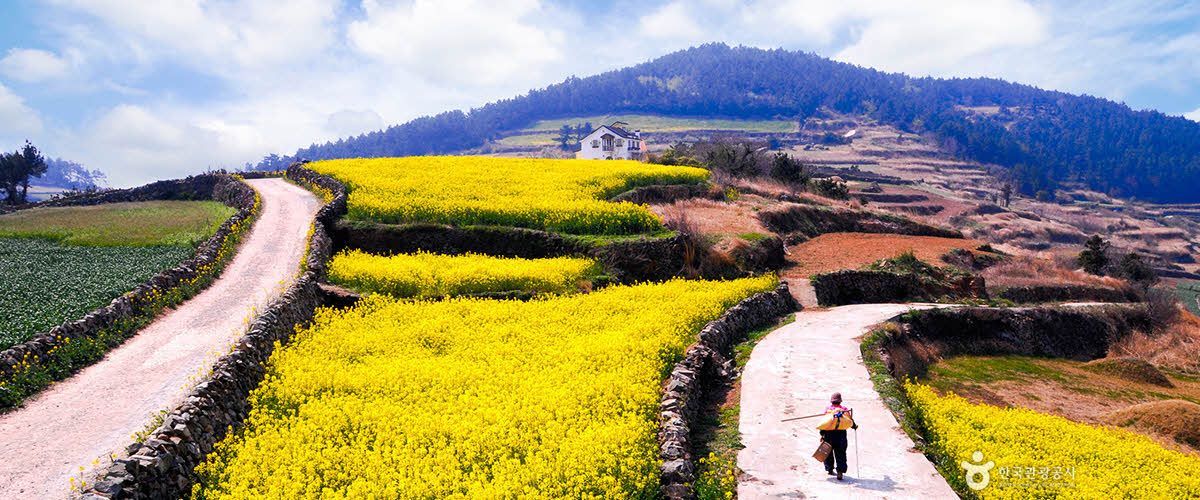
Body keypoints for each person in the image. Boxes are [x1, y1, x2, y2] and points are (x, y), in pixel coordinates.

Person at [819, 392, 858, 480]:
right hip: (840, 435)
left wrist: (822, 433)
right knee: (841, 453)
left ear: (831, 401)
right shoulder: (844, 410)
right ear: (840, 401)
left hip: (828, 435)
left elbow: (825, 423)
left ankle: (829, 469)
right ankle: (840, 472)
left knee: (828, 452)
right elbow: (850, 420)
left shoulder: (828, 410)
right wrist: (854, 426)